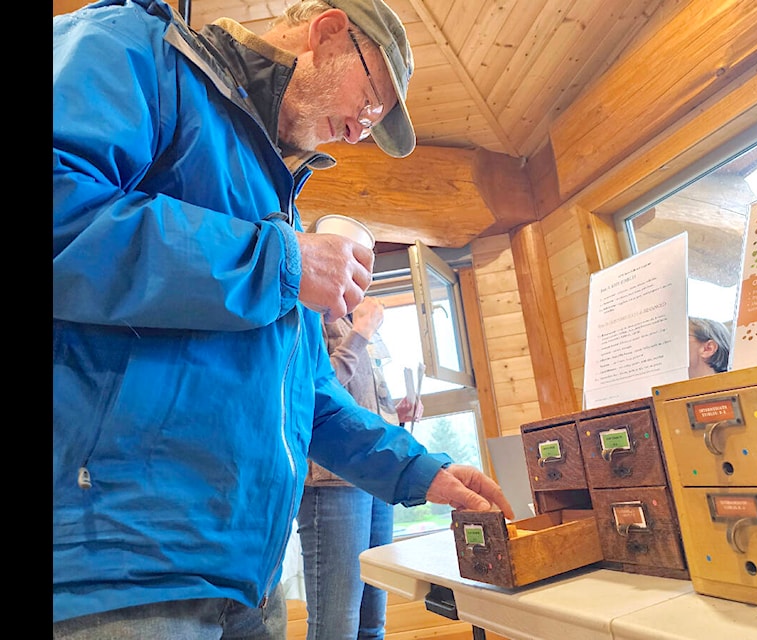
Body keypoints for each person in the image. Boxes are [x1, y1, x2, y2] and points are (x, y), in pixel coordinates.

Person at [52, 1, 515, 638]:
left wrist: (420, 470)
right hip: (120, 566)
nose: (359, 132)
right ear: (326, 32)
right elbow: (63, 214)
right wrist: (280, 261)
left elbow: (311, 396)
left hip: (249, 580)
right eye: (371, 97)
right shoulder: (135, 45)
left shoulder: (278, 206)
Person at [298, 295, 421, 640]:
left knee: (372, 625)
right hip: (330, 480)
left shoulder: (353, 317)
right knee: (337, 625)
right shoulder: (310, 308)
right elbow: (310, 388)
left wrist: (395, 410)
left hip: (376, 476)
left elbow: (356, 399)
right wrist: (362, 332)